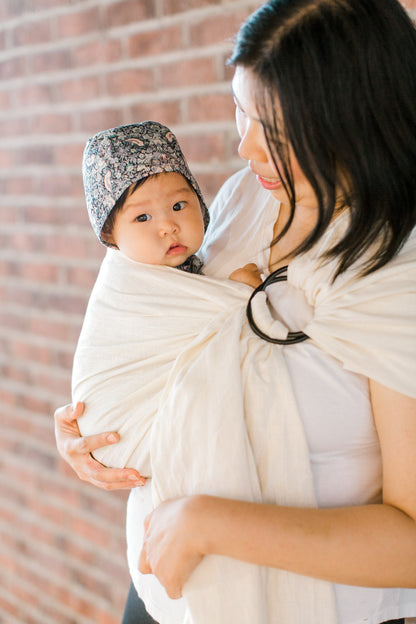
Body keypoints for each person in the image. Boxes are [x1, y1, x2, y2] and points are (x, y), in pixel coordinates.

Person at [54, 0, 416, 623]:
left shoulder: (396, 273)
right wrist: (106, 419)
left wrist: (208, 524)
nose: (244, 145)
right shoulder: (244, 199)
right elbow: (183, 338)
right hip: (163, 588)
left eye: (273, 131)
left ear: (357, 120)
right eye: (239, 111)